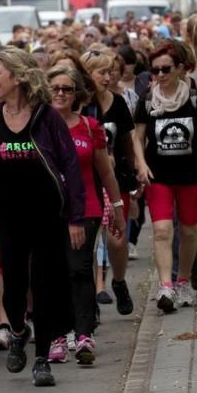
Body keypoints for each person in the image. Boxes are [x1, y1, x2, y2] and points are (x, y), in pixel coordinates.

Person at [0, 47, 85, 387]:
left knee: (44, 285)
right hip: (6, 214)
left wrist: (76, 218)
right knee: (13, 286)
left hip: (46, 214)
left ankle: (42, 358)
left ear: (17, 77)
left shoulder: (47, 118)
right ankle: (18, 330)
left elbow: (71, 168)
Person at [46, 66, 125, 366]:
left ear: (77, 94)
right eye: (55, 88)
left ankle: (83, 335)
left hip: (87, 210)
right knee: (54, 273)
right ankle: (56, 335)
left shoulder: (90, 127)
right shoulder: (38, 128)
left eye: (67, 89)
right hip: (50, 212)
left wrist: (117, 209)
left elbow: (106, 172)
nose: (61, 94)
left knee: (79, 269)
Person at [131, 43, 197, 313]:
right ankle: (166, 286)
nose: (159, 74)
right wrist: (141, 164)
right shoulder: (148, 98)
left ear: (180, 68)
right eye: (154, 69)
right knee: (162, 230)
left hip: (192, 175)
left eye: (165, 69)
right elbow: (138, 135)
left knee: (190, 230)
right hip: (159, 176)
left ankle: (182, 281)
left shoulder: (195, 95)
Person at [80, 50, 137, 317]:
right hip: (87, 181)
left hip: (116, 180)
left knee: (116, 240)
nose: (108, 76)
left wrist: (134, 173)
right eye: (101, 72)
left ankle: (119, 281)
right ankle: (90, 296)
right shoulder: (80, 106)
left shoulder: (117, 103)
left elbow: (127, 140)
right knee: (89, 242)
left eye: (109, 71)